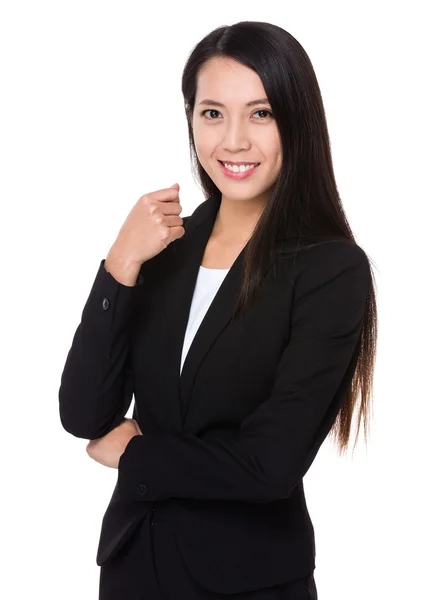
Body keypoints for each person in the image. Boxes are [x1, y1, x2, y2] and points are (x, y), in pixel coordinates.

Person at [58, 20, 378, 600]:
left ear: (296, 123)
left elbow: (269, 465)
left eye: (261, 113)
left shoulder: (330, 269)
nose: (233, 141)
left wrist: (138, 453)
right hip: (133, 572)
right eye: (212, 113)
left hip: (248, 584)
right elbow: (84, 414)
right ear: (190, 119)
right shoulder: (163, 246)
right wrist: (119, 265)